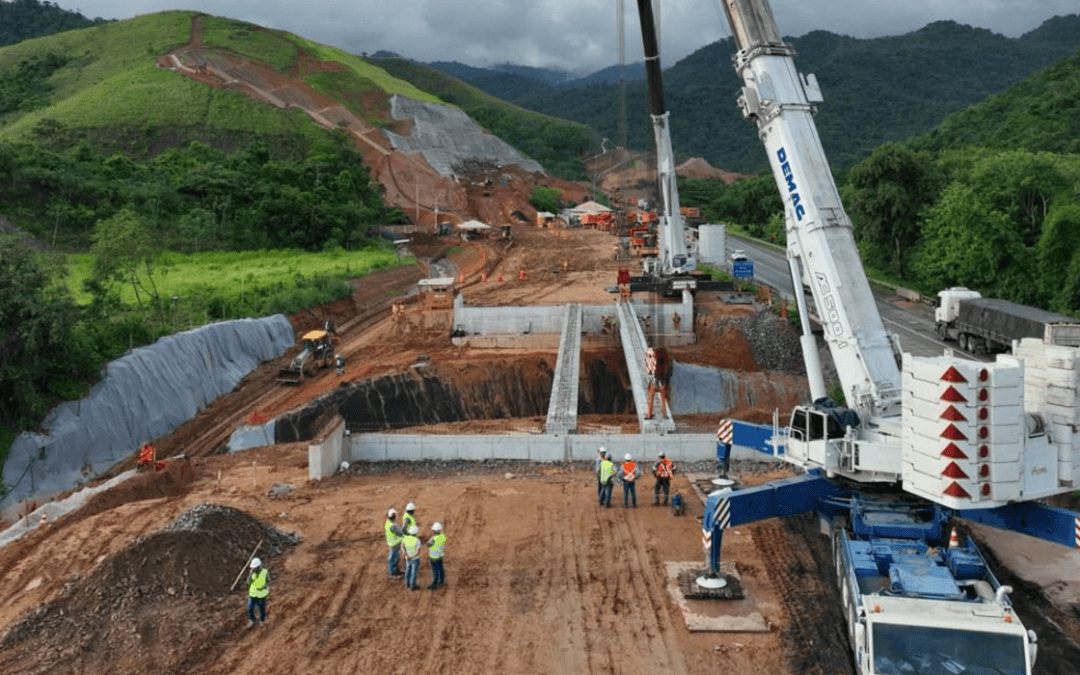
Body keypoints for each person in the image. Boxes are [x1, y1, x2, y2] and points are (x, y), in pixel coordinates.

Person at [645, 346, 672, 420]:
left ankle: (649, 415)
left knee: (651, 399)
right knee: (663, 401)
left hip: (655, 383)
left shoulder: (655, 361)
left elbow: (650, 372)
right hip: (662, 383)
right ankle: (664, 414)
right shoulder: (665, 363)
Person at [247, 557, 271, 627]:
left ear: (258, 566)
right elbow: (248, 582)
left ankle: (262, 621)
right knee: (250, 608)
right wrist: (250, 576)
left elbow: (268, 581)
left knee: (262, 608)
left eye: (255, 567)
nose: (253, 569)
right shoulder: (252, 572)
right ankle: (252, 620)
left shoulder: (265, 572)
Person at [427, 522, 446, 590]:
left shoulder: (433, 539)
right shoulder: (443, 536)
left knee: (435, 571)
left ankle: (435, 584)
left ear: (434, 530)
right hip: (440, 555)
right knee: (441, 569)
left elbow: (428, 544)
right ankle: (442, 581)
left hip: (434, 557)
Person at [384, 508, 404, 578]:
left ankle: (395, 570)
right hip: (395, 543)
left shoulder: (388, 523)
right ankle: (393, 573)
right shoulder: (393, 526)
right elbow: (400, 533)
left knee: (394, 557)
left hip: (392, 542)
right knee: (394, 558)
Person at [402, 525, 422, 590]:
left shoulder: (405, 538)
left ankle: (407, 583)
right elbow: (418, 552)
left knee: (407, 570)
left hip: (407, 558)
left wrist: (406, 555)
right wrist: (411, 556)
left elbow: (402, 547)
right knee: (413, 572)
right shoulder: (417, 540)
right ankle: (413, 586)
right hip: (414, 559)